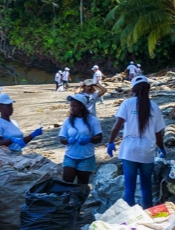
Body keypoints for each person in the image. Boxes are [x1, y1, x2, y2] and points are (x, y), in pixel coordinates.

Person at [105, 75, 165, 209]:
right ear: (148, 90)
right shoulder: (154, 107)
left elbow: (117, 126)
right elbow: (158, 133)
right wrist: (161, 147)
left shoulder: (127, 103)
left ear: (133, 90)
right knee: (146, 187)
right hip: (147, 150)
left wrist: (110, 142)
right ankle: (148, 212)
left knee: (129, 188)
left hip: (129, 150)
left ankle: (130, 215)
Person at [58, 94, 103, 184]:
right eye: (71, 106)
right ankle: (67, 198)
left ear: (82, 106)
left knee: (82, 184)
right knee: (66, 182)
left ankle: (79, 198)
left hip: (86, 157)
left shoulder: (92, 120)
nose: (72, 108)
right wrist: (68, 140)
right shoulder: (68, 121)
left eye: (75, 106)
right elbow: (61, 138)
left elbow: (99, 138)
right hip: (70, 156)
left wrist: (90, 139)